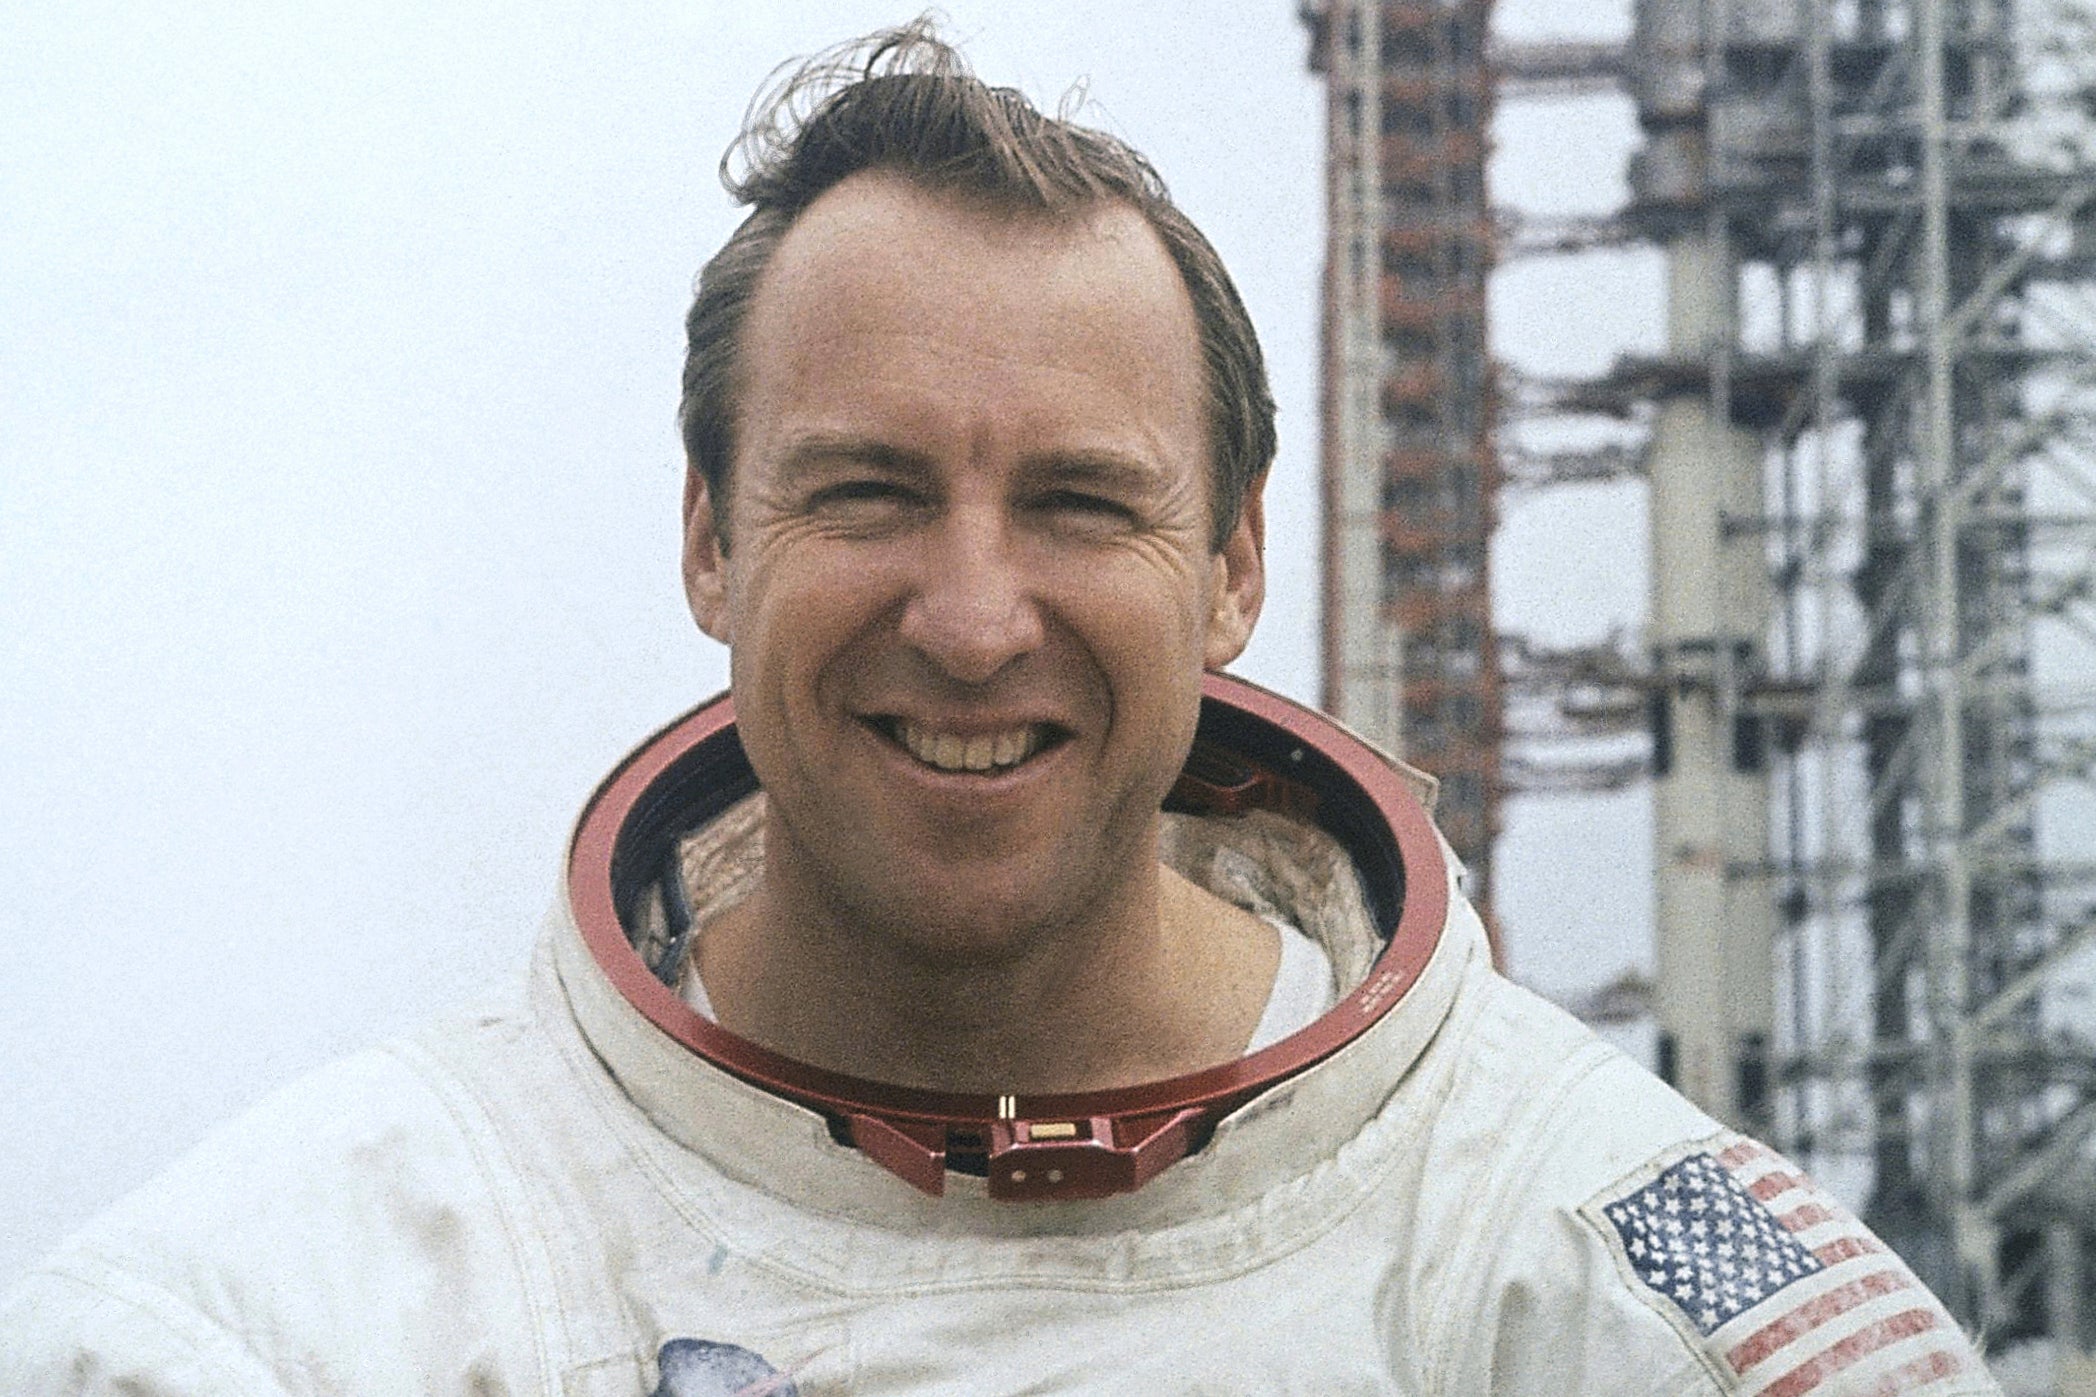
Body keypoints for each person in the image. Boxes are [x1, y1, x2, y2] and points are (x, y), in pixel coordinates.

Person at [0, 22, 1997, 1396]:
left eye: (1080, 503)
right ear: (708, 541)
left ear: (1233, 564)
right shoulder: (290, 1316)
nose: (969, 622)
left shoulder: (1609, 1283)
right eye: (867, 492)